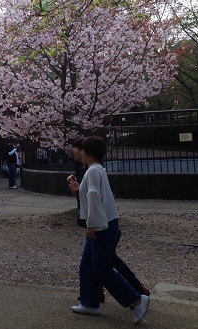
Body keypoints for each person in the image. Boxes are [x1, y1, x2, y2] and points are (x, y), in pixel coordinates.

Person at [71, 136, 150, 324]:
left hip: (102, 225)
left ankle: (136, 299)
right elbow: (92, 194)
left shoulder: (92, 172)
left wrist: (92, 224)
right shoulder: (96, 170)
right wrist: (77, 189)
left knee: (101, 267)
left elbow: (93, 197)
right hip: (106, 222)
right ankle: (89, 302)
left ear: (86, 153)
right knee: (87, 265)